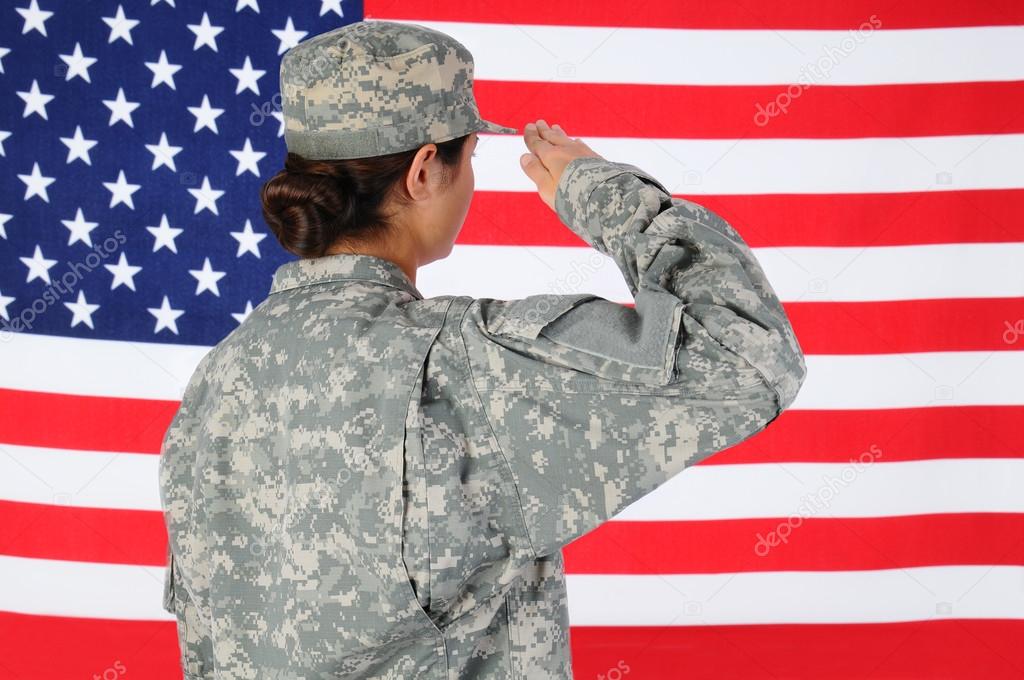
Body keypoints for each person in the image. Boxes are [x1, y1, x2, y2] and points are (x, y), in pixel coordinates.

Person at [158, 19, 807, 680]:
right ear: (421, 171)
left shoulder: (219, 380)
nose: (469, 181)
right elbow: (746, 355)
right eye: (467, 157)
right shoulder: (463, 366)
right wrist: (607, 198)